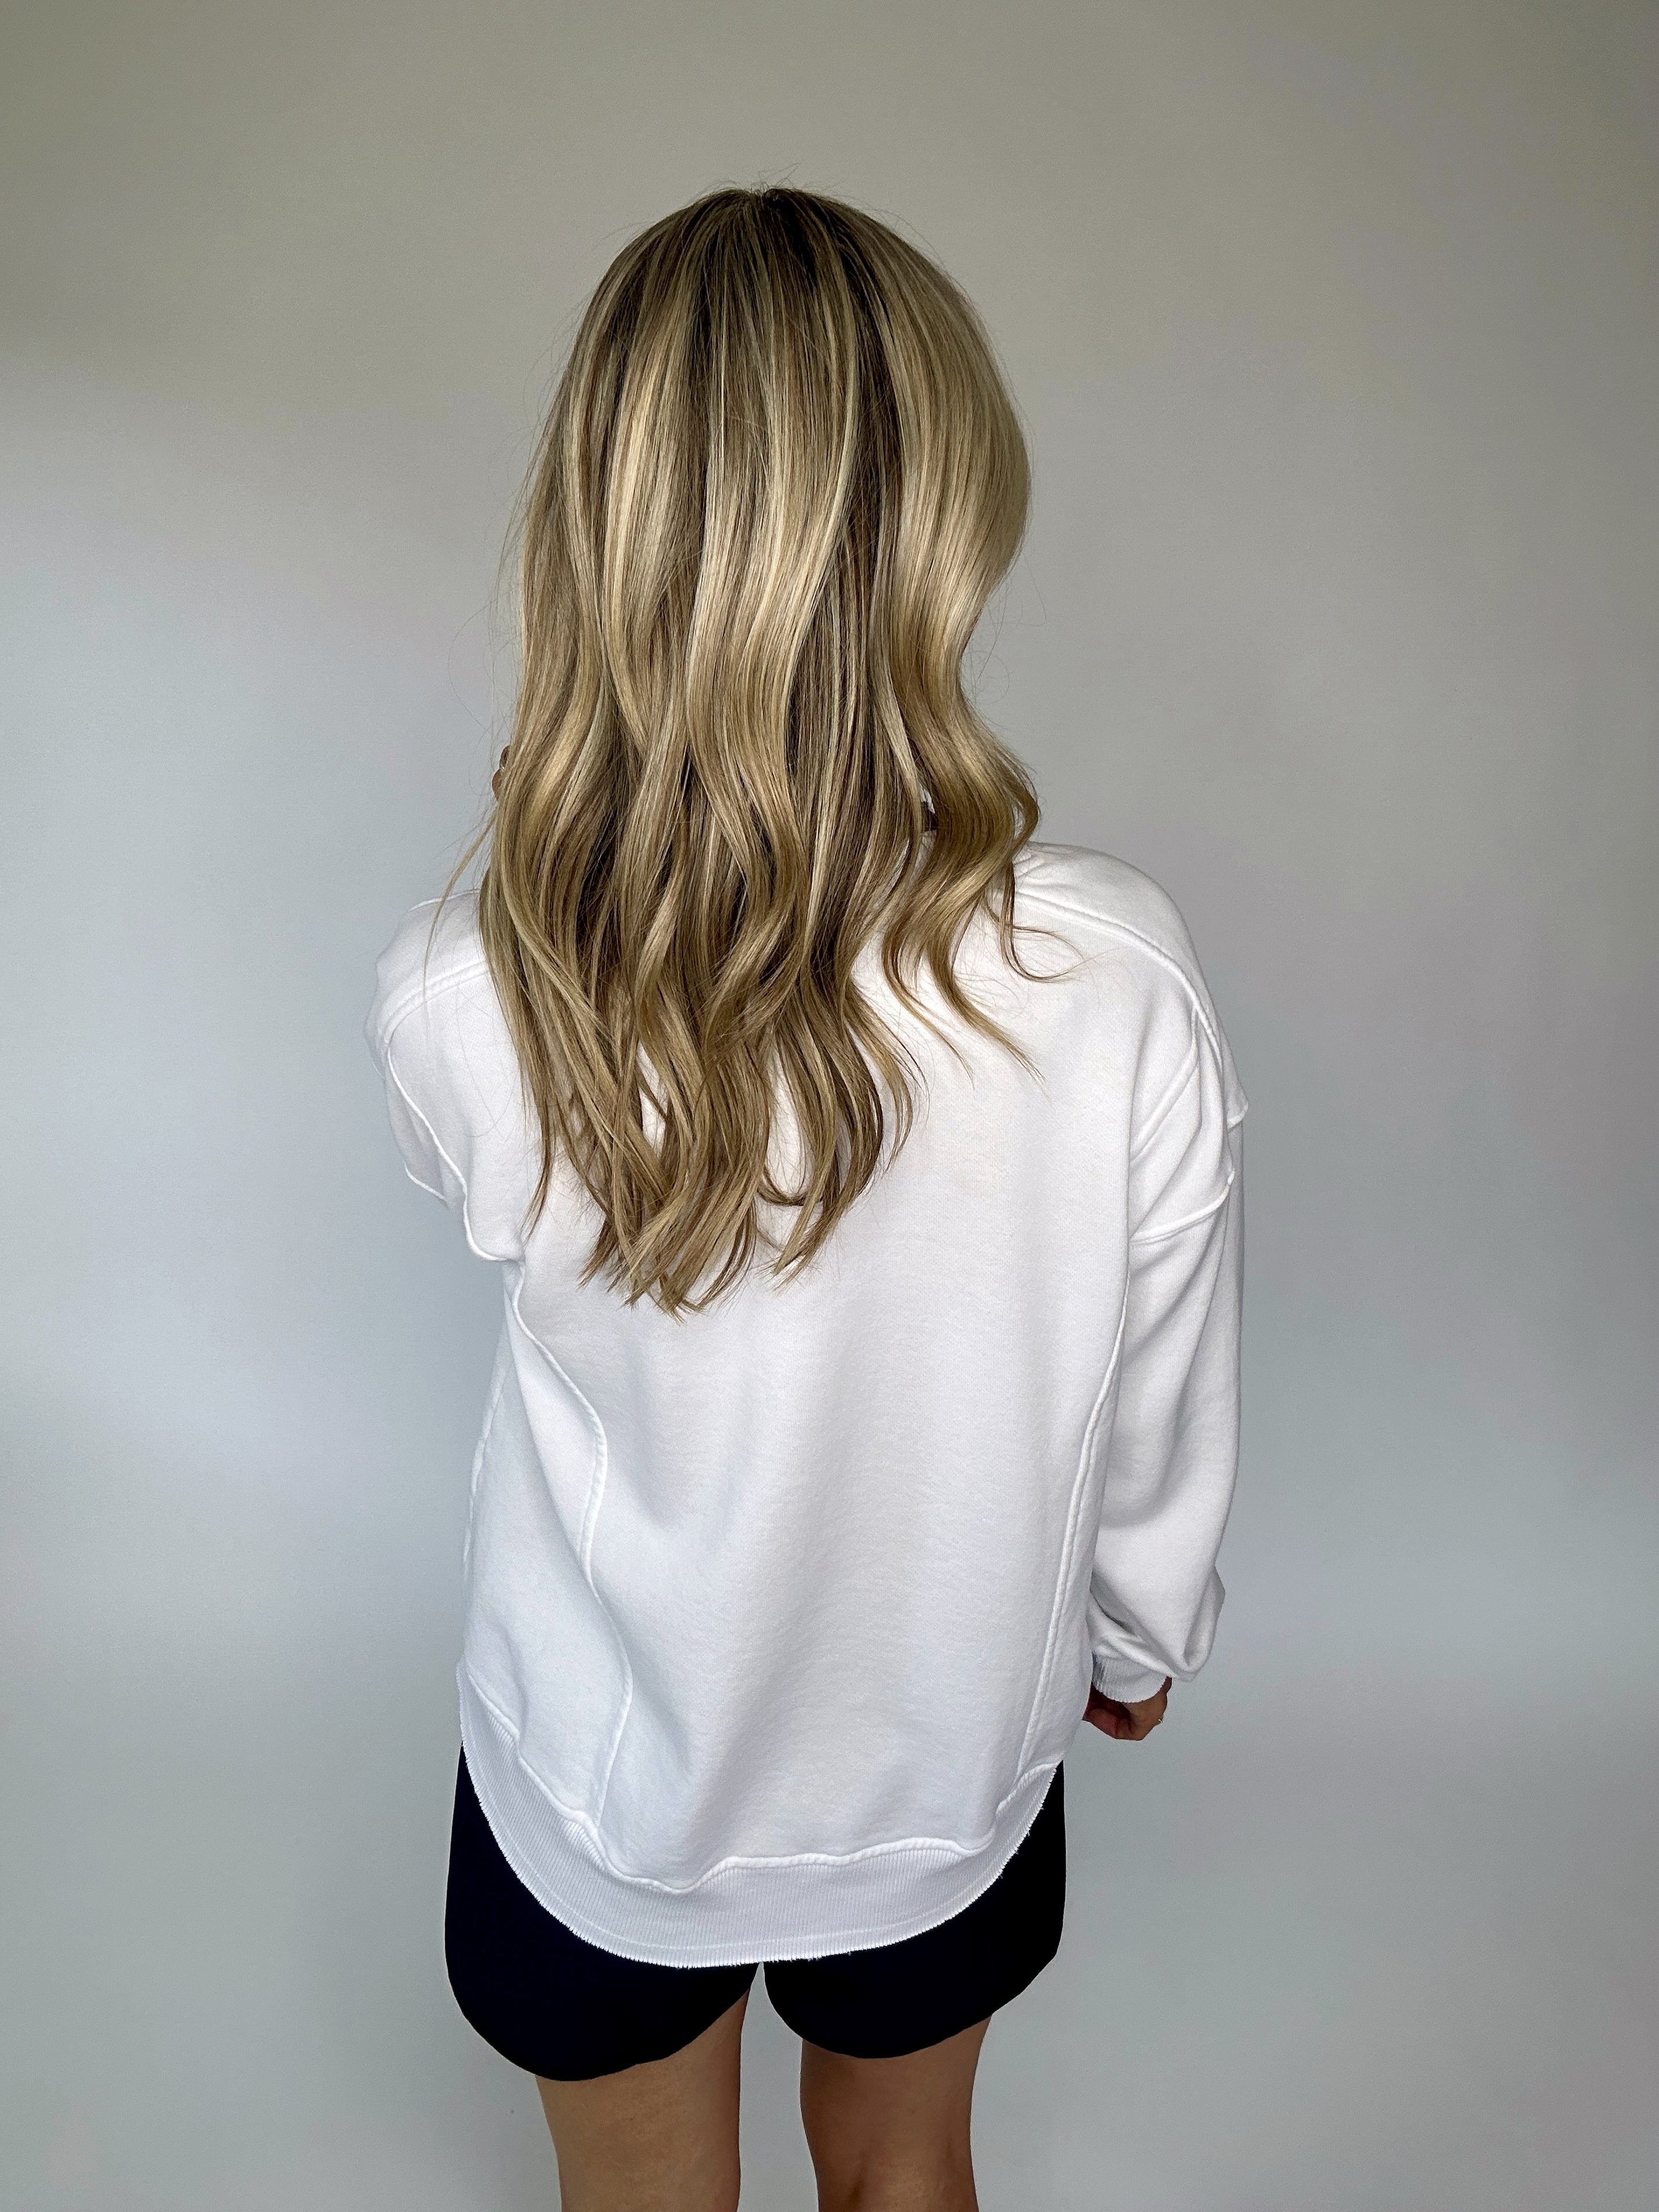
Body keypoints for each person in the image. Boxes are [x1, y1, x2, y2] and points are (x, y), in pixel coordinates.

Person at [367, 184, 1245, 2212]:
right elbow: (1158, 1386)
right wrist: (1136, 1636)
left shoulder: (465, 989)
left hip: (600, 1790)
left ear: (597, 532)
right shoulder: (1111, 973)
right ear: (942, 526)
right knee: (907, 2179)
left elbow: (491, 1195)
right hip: (935, 1771)